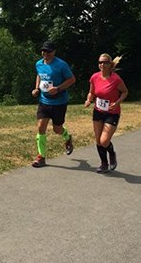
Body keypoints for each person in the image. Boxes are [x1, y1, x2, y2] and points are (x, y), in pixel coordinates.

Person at [31, 40, 76, 168]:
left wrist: (58, 88)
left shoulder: (61, 65)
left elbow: (72, 79)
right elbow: (39, 75)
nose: (45, 53)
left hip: (59, 102)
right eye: (44, 51)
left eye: (49, 51)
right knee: (41, 127)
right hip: (44, 101)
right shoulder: (39, 63)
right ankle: (41, 157)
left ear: (54, 52)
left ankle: (67, 138)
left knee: (57, 129)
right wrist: (37, 88)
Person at [84, 53, 129, 173]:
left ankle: (112, 153)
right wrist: (89, 100)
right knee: (98, 140)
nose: (102, 64)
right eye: (100, 62)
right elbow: (92, 92)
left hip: (112, 112)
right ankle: (104, 164)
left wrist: (118, 102)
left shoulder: (116, 79)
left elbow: (125, 92)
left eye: (105, 62)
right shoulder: (94, 77)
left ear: (110, 65)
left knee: (104, 141)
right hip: (98, 111)